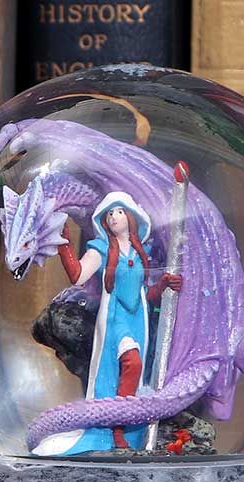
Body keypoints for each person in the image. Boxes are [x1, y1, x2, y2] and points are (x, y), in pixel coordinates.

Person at [33, 191, 181, 456]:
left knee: (135, 370)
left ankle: (127, 428)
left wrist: (164, 285)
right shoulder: (101, 250)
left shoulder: (139, 252)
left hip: (137, 321)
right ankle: (117, 427)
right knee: (132, 362)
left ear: (131, 216)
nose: (114, 217)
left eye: (119, 212)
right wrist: (64, 243)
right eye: (109, 213)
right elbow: (78, 275)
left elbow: (143, 295)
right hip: (115, 320)